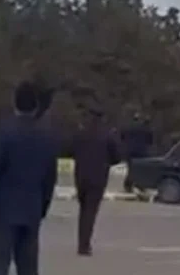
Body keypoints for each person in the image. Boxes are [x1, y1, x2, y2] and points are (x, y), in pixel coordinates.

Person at [0, 81, 59, 275]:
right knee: (28, 266)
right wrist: (43, 206)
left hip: (3, 209)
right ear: (36, 106)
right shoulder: (47, 136)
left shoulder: (4, 132)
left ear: (15, 103)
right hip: (31, 210)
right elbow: (50, 178)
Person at [72, 105, 121, 256]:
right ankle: (84, 245)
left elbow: (70, 149)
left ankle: (82, 241)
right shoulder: (107, 135)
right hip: (98, 176)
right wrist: (107, 162)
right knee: (90, 211)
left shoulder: (81, 133)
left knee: (83, 209)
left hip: (81, 175)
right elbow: (117, 156)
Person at [120, 113, 153, 193]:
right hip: (141, 152)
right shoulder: (145, 128)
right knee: (141, 169)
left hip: (129, 151)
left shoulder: (127, 127)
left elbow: (122, 137)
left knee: (131, 169)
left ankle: (128, 185)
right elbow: (150, 140)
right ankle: (140, 185)